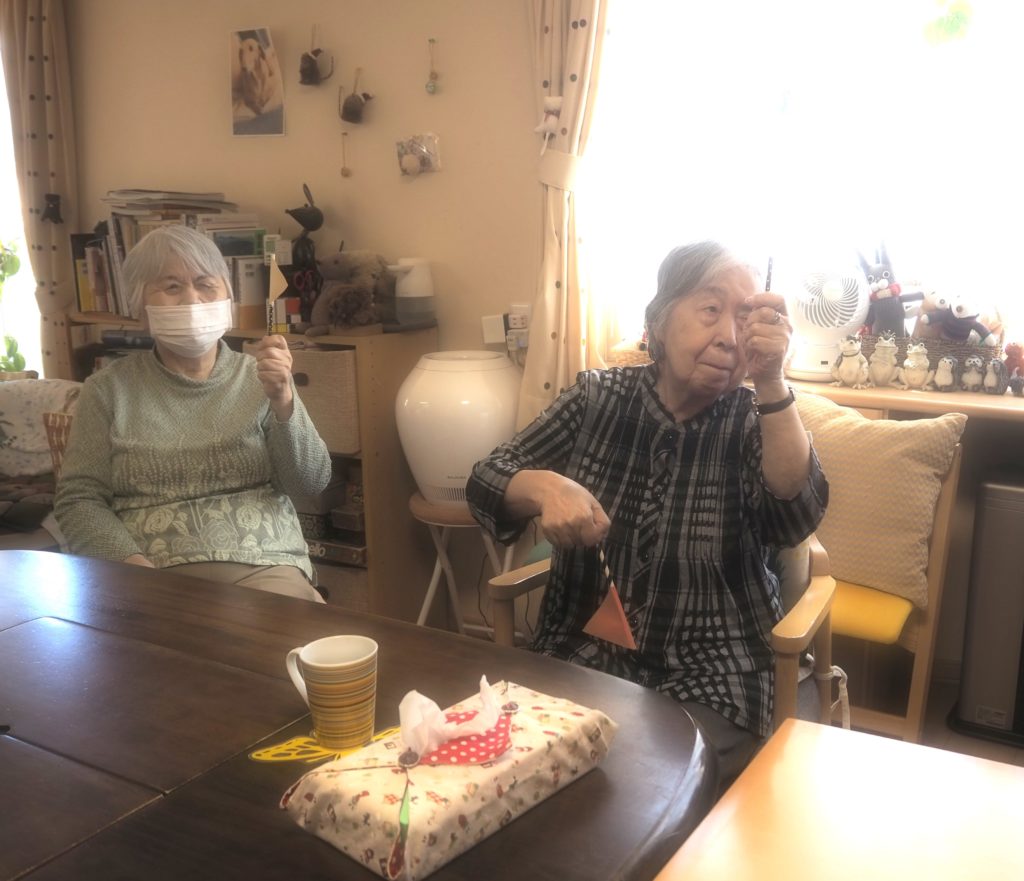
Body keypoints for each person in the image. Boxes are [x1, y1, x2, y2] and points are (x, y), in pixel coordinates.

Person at [467, 241, 829, 785]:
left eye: (744, 319)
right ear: (658, 321)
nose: (730, 337)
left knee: (647, 782)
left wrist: (773, 382)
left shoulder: (753, 419)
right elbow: (486, 478)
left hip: (717, 671)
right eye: (711, 309)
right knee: (524, 774)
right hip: (583, 656)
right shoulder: (598, 398)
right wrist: (543, 487)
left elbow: (793, 517)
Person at [55, 225, 332, 602]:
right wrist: (131, 565)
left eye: (205, 284)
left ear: (228, 296)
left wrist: (284, 400)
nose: (192, 299)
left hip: (264, 564)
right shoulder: (107, 390)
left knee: (270, 632)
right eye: (171, 287)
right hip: (149, 572)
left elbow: (309, 483)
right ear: (140, 307)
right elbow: (78, 500)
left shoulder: (263, 375)